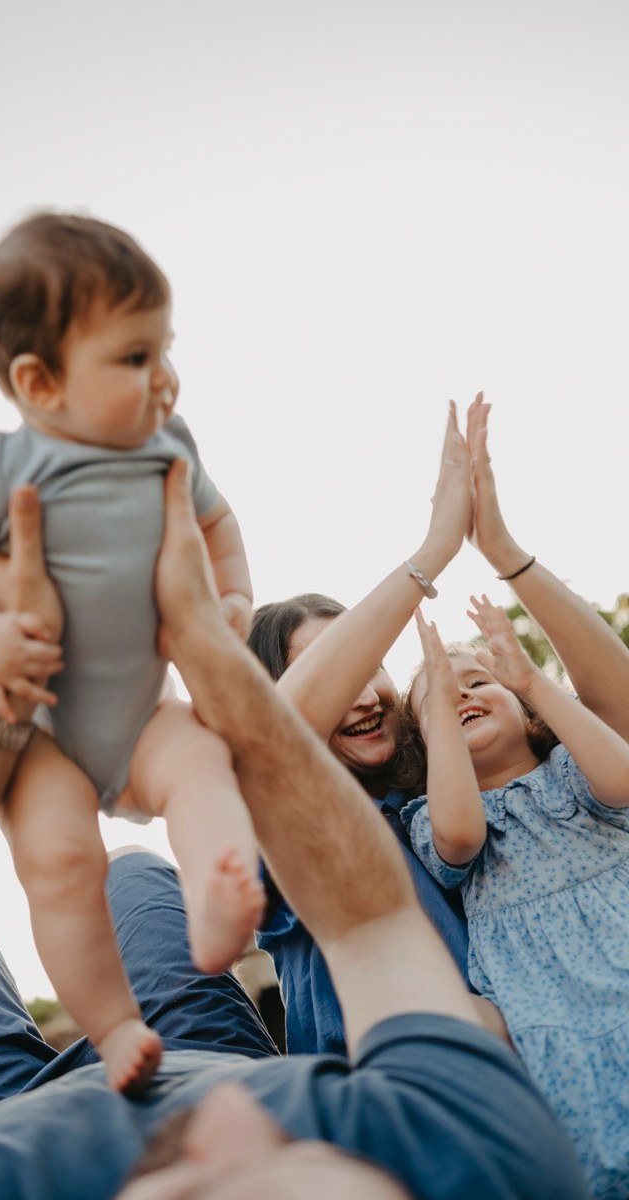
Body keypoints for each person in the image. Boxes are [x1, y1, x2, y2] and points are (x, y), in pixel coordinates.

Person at [0, 464, 590, 1199]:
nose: (231, 1117)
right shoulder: (478, 1159)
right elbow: (375, 924)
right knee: (129, 868)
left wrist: (5, 702)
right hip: (205, 1044)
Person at [0, 211, 261, 1090]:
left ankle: (217, 900)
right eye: (135, 358)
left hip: (143, 713)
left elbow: (218, 522)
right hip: (47, 732)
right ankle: (112, 1023)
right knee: (57, 866)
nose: (165, 378)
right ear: (40, 380)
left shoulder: (170, 447)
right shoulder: (0, 469)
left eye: (165, 349)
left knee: (203, 762)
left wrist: (235, 593)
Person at [250, 394, 629, 1062]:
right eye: (337, 675)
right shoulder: (287, 817)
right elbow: (273, 738)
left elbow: (616, 711)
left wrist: (505, 556)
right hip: (408, 1087)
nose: (365, 694)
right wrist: (434, 551)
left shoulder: (458, 778)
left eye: (373, 665)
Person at [404, 586, 629, 1199]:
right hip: (554, 1019)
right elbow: (458, 833)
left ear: (526, 711)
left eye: (479, 681)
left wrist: (530, 679)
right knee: (602, 1157)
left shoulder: (573, 769)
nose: (461, 694)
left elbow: (624, 779)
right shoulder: (437, 814)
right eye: (441, 700)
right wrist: (440, 712)